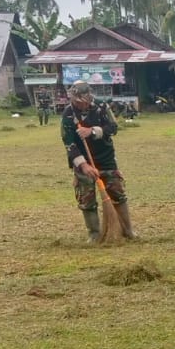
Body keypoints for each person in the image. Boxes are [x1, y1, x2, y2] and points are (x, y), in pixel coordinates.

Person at [61, 81, 134, 241]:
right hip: (83, 161)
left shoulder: (101, 107)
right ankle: (94, 234)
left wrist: (92, 131)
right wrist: (83, 165)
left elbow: (113, 128)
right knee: (86, 199)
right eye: (75, 101)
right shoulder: (68, 114)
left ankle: (128, 231)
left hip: (105, 158)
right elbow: (69, 143)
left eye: (82, 101)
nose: (79, 104)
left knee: (117, 193)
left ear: (89, 98)